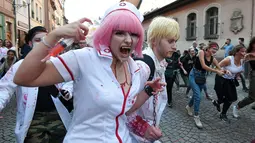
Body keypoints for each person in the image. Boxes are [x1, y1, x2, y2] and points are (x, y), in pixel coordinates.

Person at [14, 2, 164, 142]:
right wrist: (53, 36)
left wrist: (148, 90)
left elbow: (125, 109)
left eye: (134, 34)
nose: (128, 40)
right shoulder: (84, 58)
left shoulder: (135, 69)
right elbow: (23, 78)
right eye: (120, 33)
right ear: (107, 34)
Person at [0, 26, 73, 143]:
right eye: (38, 40)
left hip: (58, 116)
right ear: (30, 43)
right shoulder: (20, 66)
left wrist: (67, 90)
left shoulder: (58, 63)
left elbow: (70, 80)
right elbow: (4, 89)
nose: (43, 43)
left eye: (46, 39)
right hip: (32, 120)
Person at [132, 16, 179, 143]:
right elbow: (123, 107)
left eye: (175, 41)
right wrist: (143, 128)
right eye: (170, 41)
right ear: (154, 41)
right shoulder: (144, 66)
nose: (175, 47)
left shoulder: (159, 62)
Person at [185, 42, 225, 129]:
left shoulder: (212, 58)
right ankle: (196, 116)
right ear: (209, 48)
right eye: (213, 49)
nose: (215, 51)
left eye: (216, 50)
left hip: (202, 77)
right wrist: (216, 71)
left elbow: (219, 67)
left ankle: (188, 107)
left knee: (196, 94)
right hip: (193, 75)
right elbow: (203, 66)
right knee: (198, 96)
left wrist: (225, 71)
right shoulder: (201, 52)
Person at [213, 45, 245, 122]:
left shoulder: (242, 60)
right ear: (237, 52)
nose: (244, 53)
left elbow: (238, 70)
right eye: (242, 51)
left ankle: (220, 109)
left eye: (245, 51)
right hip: (221, 79)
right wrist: (225, 71)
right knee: (224, 97)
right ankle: (220, 106)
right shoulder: (228, 59)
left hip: (230, 80)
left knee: (232, 98)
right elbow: (216, 68)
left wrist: (237, 75)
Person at [233, 37, 255, 118]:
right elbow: (241, 60)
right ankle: (237, 107)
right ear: (252, 44)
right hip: (254, 75)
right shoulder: (248, 53)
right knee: (252, 97)